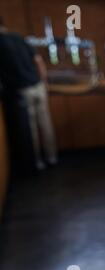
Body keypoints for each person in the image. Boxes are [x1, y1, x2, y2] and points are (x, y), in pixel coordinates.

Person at [0, 17, 57, 170]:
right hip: (38, 85)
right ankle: (52, 157)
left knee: (30, 129)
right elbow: (38, 60)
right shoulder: (19, 37)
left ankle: (36, 162)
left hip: (22, 90)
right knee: (46, 124)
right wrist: (44, 81)